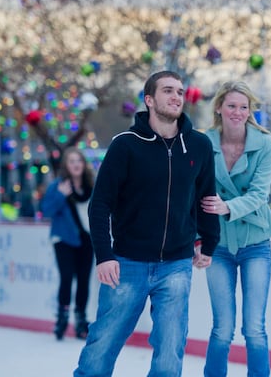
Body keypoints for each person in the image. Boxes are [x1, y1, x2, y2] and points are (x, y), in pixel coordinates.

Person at [73, 70, 220, 376]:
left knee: (170, 348)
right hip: (128, 262)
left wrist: (209, 241)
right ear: (150, 100)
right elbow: (100, 204)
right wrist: (105, 255)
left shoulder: (199, 145)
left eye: (180, 91)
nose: (176, 97)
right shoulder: (125, 145)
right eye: (168, 91)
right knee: (103, 342)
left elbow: (206, 197)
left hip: (176, 265)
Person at [200, 81, 271, 377]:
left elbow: (260, 194)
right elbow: (192, 193)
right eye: (231, 106)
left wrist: (228, 207)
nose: (237, 112)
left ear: (250, 111)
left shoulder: (266, 144)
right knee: (222, 327)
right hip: (217, 245)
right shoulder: (202, 143)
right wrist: (198, 240)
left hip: (255, 242)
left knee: (254, 327)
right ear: (219, 108)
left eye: (243, 107)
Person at [41, 147, 95, 340]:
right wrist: (60, 195)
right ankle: (62, 318)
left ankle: (81, 319)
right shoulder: (58, 186)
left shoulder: (91, 186)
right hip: (64, 239)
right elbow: (46, 210)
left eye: (78, 161)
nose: (76, 165)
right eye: (71, 161)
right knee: (66, 277)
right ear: (66, 165)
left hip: (87, 239)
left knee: (83, 280)